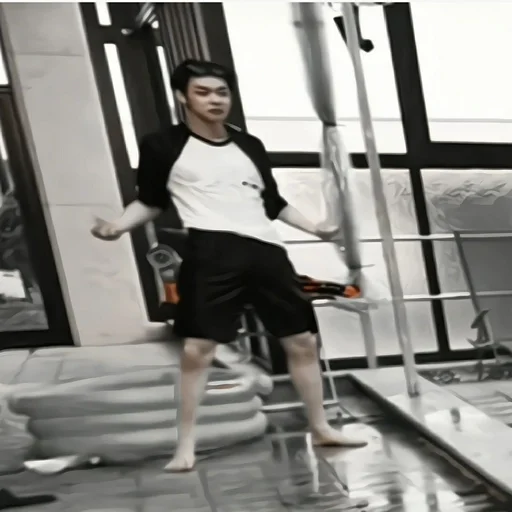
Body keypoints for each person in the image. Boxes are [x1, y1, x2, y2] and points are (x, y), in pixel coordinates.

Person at [91, 59, 367, 472]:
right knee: (197, 350)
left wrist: (317, 229)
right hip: (212, 251)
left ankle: (321, 427)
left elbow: (271, 202)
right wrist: (117, 225)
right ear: (183, 97)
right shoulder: (162, 145)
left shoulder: (249, 144)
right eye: (203, 92)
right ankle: (185, 446)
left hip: (267, 251)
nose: (215, 100)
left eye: (222, 92)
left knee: (303, 341)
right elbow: (150, 200)